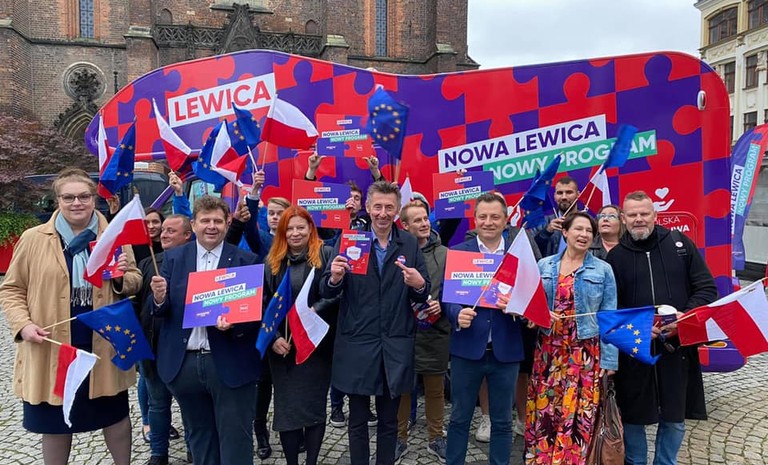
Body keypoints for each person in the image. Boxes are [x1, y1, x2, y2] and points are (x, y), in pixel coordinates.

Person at [0, 167, 141, 465]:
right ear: (58, 200)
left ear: (94, 198)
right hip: (51, 344)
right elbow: (11, 289)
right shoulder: (33, 239)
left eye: (84, 196)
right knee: (54, 420)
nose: (77, 203)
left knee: (114, 415)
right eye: (69, 197)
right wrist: (23, 325)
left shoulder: (113, 236)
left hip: (102, 341)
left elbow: (134, 280)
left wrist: (120, 279)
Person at [320, 180, 431, 465]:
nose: (383, 213)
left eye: (389, 207)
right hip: (358, 341)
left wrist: (419, 284)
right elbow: (326, 290)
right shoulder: (350, 240)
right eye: (378, 206)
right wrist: (334, 278)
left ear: (397, 210)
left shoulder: (408, 243)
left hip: (394, 343)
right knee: (357, 419)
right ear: (367, 208)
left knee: (389, 420)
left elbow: (423, 290)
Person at [605, 191, 717, 465]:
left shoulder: (680, 244)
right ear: (623, 219)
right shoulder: (615, 257)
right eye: (632, 214)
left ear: (655, 215)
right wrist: (639, 326)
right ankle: (636, 462)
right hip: (635, 349)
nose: (639, 219)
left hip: (676, 347)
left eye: (644, 213)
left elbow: (706, 288)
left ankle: (666, 462)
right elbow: (610, 308)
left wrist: (684, 316)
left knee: (674, 416)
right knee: (633, 415)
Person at [150, 195, 262, 465]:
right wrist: (159, 298)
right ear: (194, 224)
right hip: (185, 364)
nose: (211, 226)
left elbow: (254, 315)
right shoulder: (174, 258)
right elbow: (160, 311)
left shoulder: (246, 260)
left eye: (218, 221)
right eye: (205, 220)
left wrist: (235, 323)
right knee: (200, 436)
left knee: (236, 439)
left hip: (229, 362)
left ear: (228, 223)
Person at [521, 211, 618, 464]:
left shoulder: (603, 270)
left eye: (589, 231)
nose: (584, 234)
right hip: (548, 351)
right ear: (565, 232)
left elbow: (609, 316)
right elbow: (529, 306)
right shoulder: (544, 266)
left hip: (584, 354)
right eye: (578, 229)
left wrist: (610, 360)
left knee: (578, 413)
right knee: (546, 409)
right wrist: (540, 314)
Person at [444, 192, 525, 465]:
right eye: (483, 217)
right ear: (475, 219)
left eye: (495, 217)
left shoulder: (518, 254)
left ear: (505, 220)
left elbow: (531, 297)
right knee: (459, 418)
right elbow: (447, 298)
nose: (488, 222)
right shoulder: (459, 252)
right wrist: (457, 313)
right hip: (467, 349)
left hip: (506, 350)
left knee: (502, 422)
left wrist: (518, 306)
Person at [262, 205, 339, 465]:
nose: (295, 233)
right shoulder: (272, 262)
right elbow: (263, 304)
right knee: (288, 412)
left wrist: (312, 312)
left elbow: (335, 293)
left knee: (314, 408)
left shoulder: (325, 254)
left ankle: (312, 461)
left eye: (300, 227)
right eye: (290, 228)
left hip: (316, 345)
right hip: (283, 349)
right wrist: (273, 338)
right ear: (282, 232)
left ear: (310, 229)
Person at [396, 201, 450, 460]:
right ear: (405, 225)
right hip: (404, 332)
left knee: (435, 389)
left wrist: (443, 304)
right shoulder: (397, 254)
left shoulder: (446, 254)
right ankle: (398, 439)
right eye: (417, 220)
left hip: (435, 331)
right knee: (402, 389)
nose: (424, 223)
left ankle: (436, 438)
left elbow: (456, 289)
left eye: (425, 218)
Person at [137, 214, 193, 465]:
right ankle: (158, 453)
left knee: (191, 404)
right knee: (158, 405)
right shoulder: (148, 263)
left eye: (171, 230)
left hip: (184, 348)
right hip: (153, 346)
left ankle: (194, 448)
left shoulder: (196, 263)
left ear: (187, 236)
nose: (164, 234)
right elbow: (137, 302)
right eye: (164, 230)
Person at [534, 176, 580, 257]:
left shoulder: (588, 223)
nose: (564, 197)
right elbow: (531, 251)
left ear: (578, 195)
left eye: (569, 192)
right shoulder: (541, 223)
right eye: (560, 193)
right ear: (554, 196)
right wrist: (546, 232)